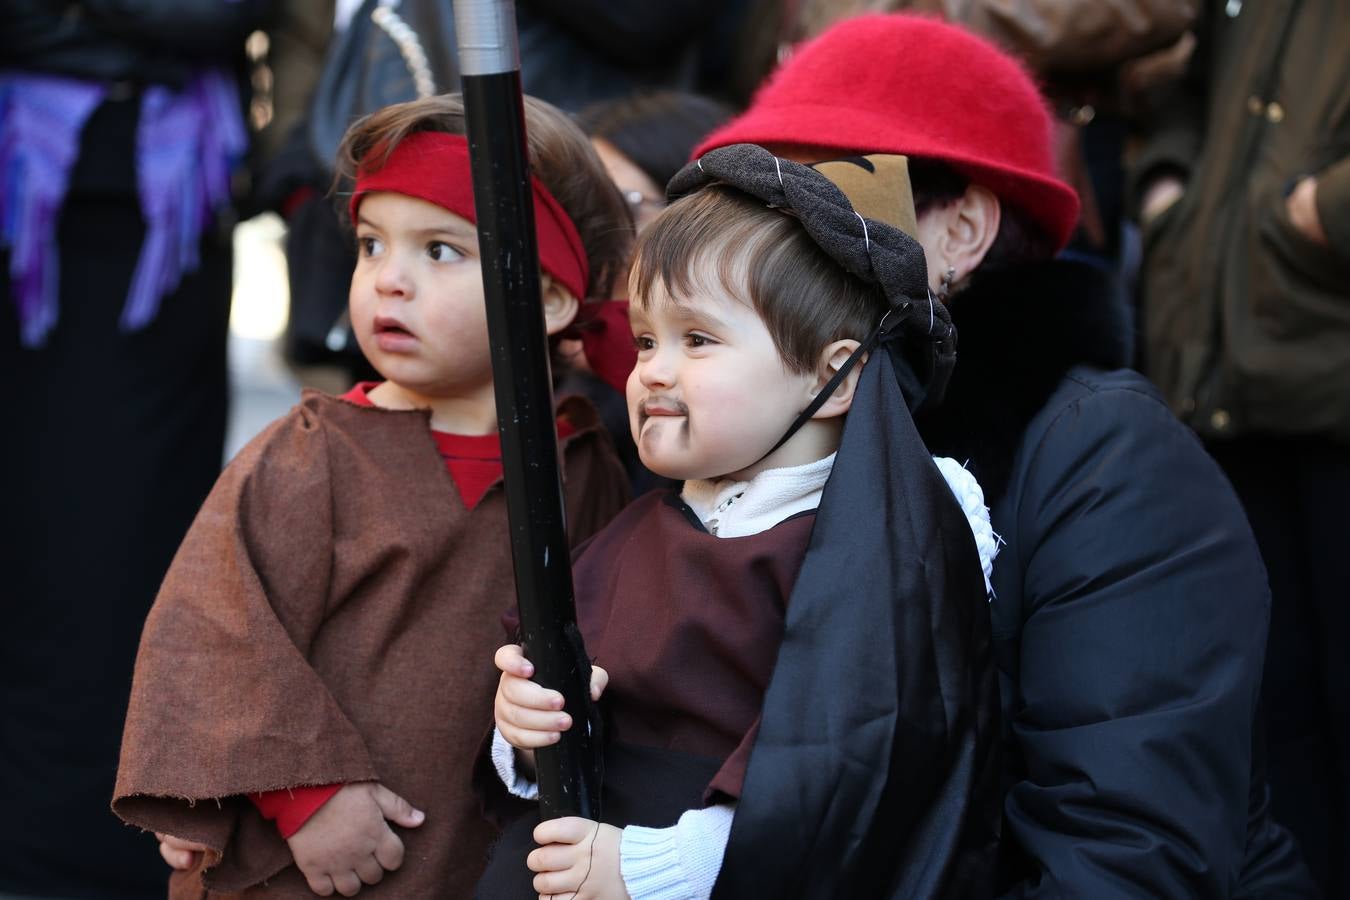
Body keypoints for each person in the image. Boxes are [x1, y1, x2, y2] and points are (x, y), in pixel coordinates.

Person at [695, 14, 1317, 897]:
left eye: (828, 197)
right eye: (756, 204)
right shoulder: (741, 436)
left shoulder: (1104, 457)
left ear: (964, 232)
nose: (768, 244)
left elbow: (1124, 854)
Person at [111, 93, 631, 899]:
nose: (389, 280)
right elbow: (216, 628)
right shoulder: (313, 451)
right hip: (304, 864)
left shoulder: (582, 467)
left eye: (441, 251)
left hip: (477, 856)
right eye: (370, 244)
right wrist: (303, 792)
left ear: (553, 295)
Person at [480, 145, 1003, 898]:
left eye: (698, 340)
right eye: (647, 340)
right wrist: (526, 731)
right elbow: (565, 713)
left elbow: (846, 759)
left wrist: (665, 868)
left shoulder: (872, 557)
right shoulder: (633, 533)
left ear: (833, 379)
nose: (653, 369)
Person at [0, 2, 270, 896]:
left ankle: (76, 865)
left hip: (146, 209)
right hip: (43, 175)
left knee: (107, 558)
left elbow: (212, 13)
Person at [1133, 4, 1349, 895]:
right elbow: (1190, 91)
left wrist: (1322, 212)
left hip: (1325, 346)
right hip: (1230, 363)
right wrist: (1170, 193)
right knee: (1274, 701)